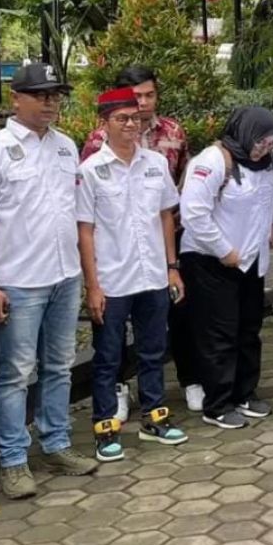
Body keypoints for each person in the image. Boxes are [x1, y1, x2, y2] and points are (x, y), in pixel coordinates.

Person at [0, 63, 98, 500]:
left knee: (59, 367)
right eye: (40, 94)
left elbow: (74, 213)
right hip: (18, 281)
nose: (50, 102)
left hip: (63, 276)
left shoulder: (65, 146)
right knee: (15, 374)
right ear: (15, 99)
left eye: (56, 94)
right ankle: (15, 460)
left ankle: (56, 444)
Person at [77, 89, 188, 462]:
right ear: (104, 124)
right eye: (121, 118)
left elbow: (166, 216)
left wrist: (172, 268)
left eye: (135, 118)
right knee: (108, 357)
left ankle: (155, 419)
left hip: (153, 275)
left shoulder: (155, 163)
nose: (130, 125)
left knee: (153, 351)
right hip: (112, 278)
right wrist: (92, 286)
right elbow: (85, 231)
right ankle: (105, 428)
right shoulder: (91, 171)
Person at [180, 106, 273, 429]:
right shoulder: (212, 162)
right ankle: (218, 403)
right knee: (219, 334)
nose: (263, 149)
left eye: (269, 142)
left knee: (248, 329)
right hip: (211, 261)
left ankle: (244, 392)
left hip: (250, 261)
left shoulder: (272, 161)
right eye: (259, 142)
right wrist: (224, 249)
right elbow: (193, 213)